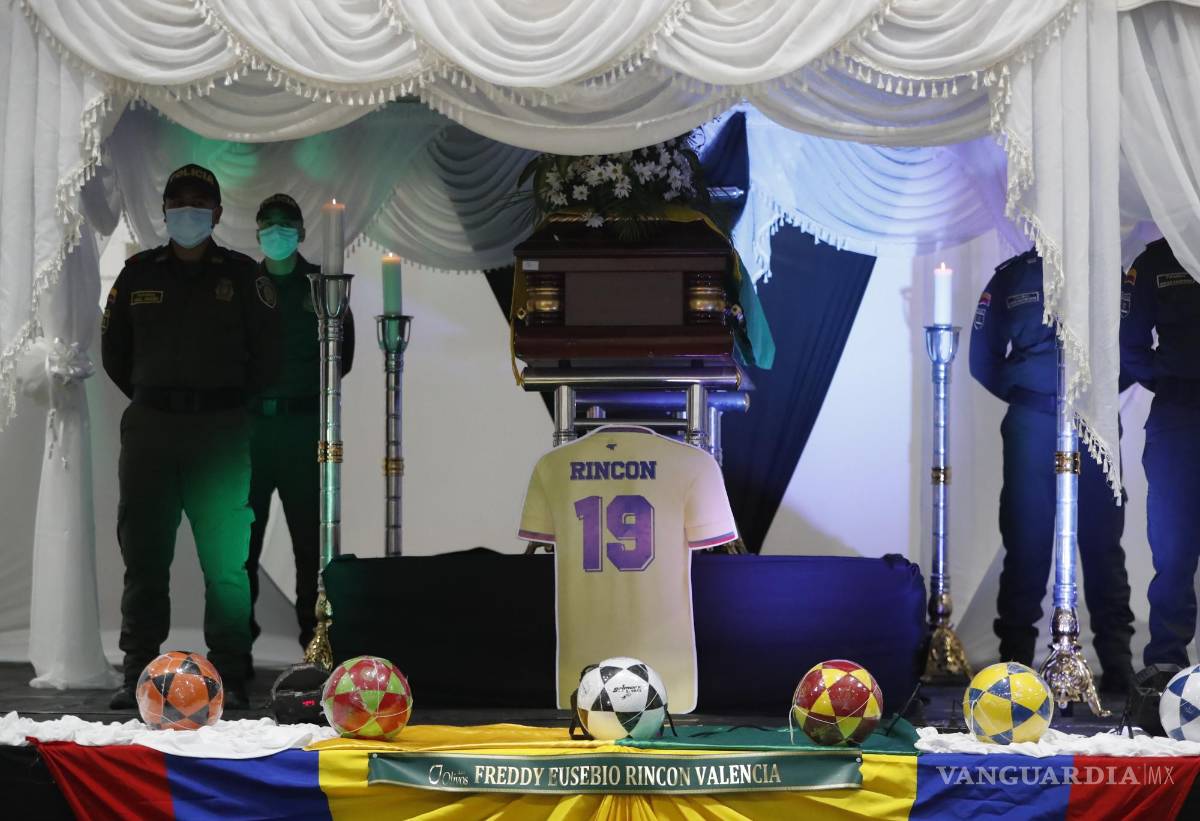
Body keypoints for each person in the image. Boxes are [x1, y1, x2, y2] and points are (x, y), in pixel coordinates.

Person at [102, 164, 281, 709]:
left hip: (220, 432)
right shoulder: (137, 275)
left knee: (227, 564)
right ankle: (138, 671)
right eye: (178, 202)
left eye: (199, 203)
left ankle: (230, 670)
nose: (188, 211)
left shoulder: (246, 277)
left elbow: (269, 356)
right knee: (145, 555)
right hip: (153, 430)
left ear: (218, 213)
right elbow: (116, 356)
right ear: (164, 211)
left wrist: (227, 405)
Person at [970, 249, 1135, 692]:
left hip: (1093, 420)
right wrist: (1030, 391)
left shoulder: (1106, 270)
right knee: (1026, 540)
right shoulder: (1012, 275)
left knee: (1102, 542)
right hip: (1033, 423)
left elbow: (1131, 349)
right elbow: (981, 358)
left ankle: (1118, 663)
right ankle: (1015, 662)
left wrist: (1092, 395)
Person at [246, 194, 354, 659]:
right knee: (239, 552)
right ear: (256, 233)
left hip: (304, 428)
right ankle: (236, 654)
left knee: (311, 546)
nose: (277, 232)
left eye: (285, 224)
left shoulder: (322, 286)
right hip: (250, 432)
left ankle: (315, 647)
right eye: (268, 224)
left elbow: (341, 358)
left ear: (302, 232)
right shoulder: (242, 286)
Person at [1120, 238, 1200, 670]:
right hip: (1180, 416)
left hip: (1178, 411)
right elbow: (1130, 343)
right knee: (1173, 552)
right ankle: (1166, 670)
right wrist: (1171, 383)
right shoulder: (1157, 259)